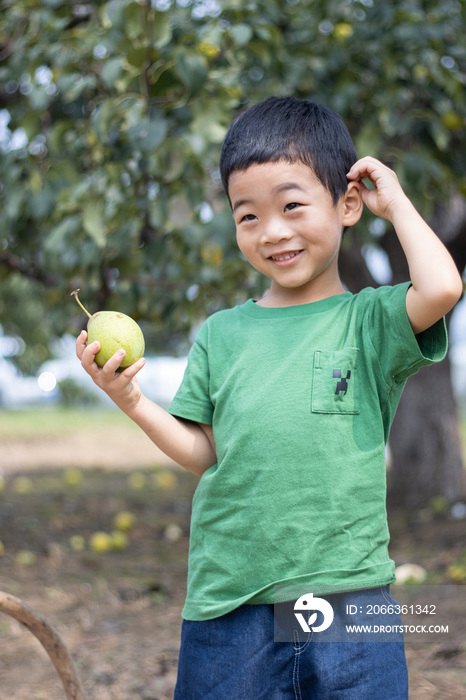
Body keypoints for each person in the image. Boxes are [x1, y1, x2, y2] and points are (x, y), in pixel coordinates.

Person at [76, 96, 462, 699]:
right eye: (247, 216)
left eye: (291, 205)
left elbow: (441, 287)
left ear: (348, 205)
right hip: (232, 601)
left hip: (350, 595)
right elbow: (203, 451)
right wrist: (131, 399)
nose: (272, 231)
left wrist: (398, 202)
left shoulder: (369, 321)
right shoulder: (222, 333)